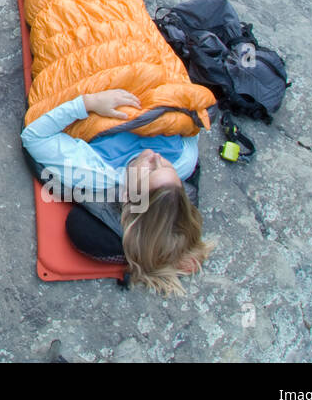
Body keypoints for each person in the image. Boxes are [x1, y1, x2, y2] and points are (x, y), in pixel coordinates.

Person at [21, 88, 215, 295]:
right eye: (166, 167)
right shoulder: (184, 161)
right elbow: (193, 112)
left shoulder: (95, 170)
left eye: (150, 171)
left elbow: (34, 136)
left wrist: (88, 102)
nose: (155, 156)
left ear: (127, 195)